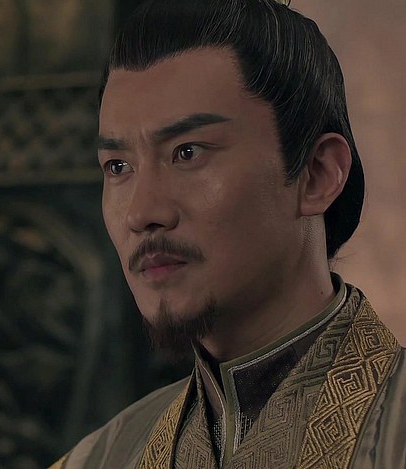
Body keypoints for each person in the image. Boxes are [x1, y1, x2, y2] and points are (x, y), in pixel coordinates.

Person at [50, 0, 406, 467]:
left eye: (188, 152)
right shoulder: (100, 458)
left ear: (318, 174)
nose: (141, 213)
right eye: (118, 167)